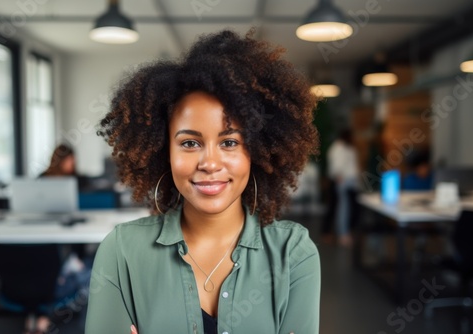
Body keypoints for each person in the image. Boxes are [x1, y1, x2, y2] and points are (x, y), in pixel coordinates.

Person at [85, 29, 321, 334]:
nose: (209, 163)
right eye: (189, 143)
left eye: (230, 143)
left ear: (257, 151)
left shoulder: (293, 253)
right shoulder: (122, 252)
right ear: (163, 151)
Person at [327, 128, 360, 247]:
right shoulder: (339, 148)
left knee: (346, 209)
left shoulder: (346, 147)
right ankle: (343, 234)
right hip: (344, 182)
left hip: (349, 182)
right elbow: (337, 167)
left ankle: (344, 232)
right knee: (343, 209)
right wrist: (339, 178)